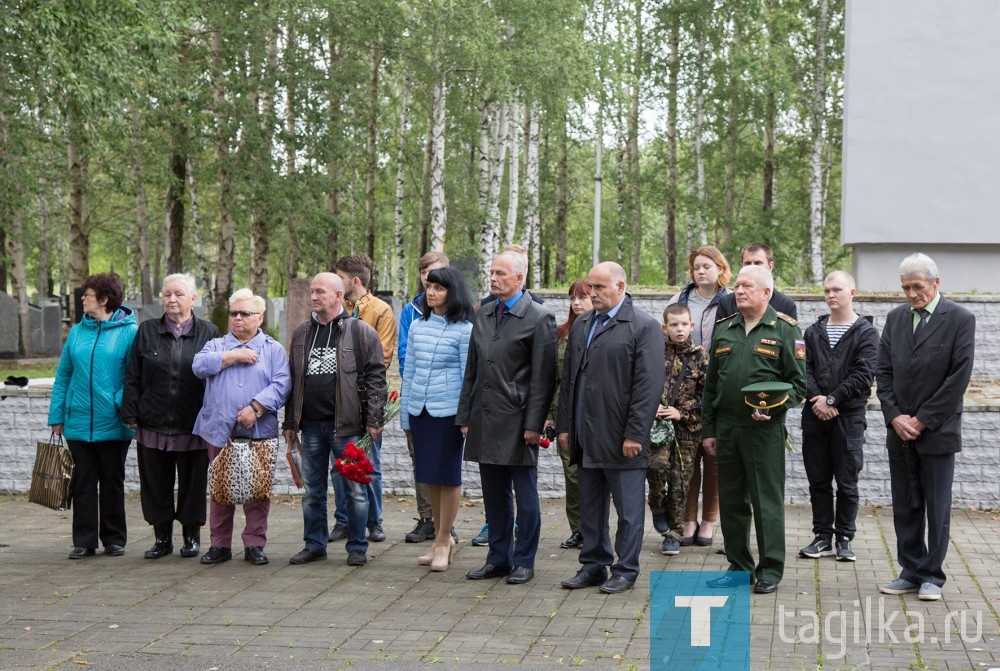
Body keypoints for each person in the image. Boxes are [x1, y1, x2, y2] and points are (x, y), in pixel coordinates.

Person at [556, 262, 664, 594]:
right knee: (590, 505)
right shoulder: (583, 324)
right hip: (585, 435)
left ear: (620, 287)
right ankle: (593, 565)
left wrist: (635, 433)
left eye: (599, 287)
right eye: (590, 287)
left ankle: (626, 569)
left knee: (628, 510)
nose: (592, 293)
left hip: (622, 438)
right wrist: (565, 427)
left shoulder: (643, 326)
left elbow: (648, 386)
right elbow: (569, 380)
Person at [701, 264, 805, 594]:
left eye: (747, 285)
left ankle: (770, 569)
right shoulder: (725, 328)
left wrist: (773, 408)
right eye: (737, 286)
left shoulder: (786, 330)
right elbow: (711, 385)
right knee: (731, 501)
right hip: (727, 428)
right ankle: (739, 566)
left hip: (763, 431)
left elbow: (799, 386)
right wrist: (709, 429)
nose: (739, 291)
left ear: (766, 293)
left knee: (765, 502)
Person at [876, 253, 975, 601]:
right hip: (899, 431)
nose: (911, 293)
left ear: (936, 283)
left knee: (937, 505)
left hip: (937, 430)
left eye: (918, 286)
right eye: (905, 287)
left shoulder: (961, 319)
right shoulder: (895, 319)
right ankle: (911, 570)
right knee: (905, 504)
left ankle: (933, 574)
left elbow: (958, 377)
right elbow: (883, 372)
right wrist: (894, 416)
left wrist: (921, 419)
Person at [457, 251, 557, 585]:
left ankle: (524, 560)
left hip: (517, 421)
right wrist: (465, 415)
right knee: (493, 494)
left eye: (501, 273)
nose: (494, 278)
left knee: (525, 497)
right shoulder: (484, 313)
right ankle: (498, 557)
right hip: (485, 417)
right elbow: (472, 369)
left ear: (519, 278)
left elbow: (543, 378)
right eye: (492, 272)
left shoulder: (539, 317)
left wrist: (534, 423)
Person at [283, 273, 387, 567]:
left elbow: (377, 378)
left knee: (355, 491)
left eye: (320, 292)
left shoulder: (360, 332)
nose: (313, 297)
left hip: (349, 428)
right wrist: (290, 423)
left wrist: (374, 419)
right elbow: (293, 380)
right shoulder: (302, 333)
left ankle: (357, 547)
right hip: (312, 427)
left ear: (339, 296)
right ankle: (314, 544)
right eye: (312, 292)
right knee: (312, 492)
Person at [122, 273, 220, 560]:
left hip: (194, 423)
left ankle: (191, 537)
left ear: (193, 298)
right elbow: (133, 375)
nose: (172, 299)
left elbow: (218, 377)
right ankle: (161, 537)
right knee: (155, 484)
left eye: (178, 294)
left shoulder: (209, 333)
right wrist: (130, 411)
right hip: (153, 421)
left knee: (192, 483)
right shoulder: (147, 331)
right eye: (167, 294)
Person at [193, 289, 291, 566]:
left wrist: (257, 408)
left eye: (245, 313)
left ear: (259, 318)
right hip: (219, 430)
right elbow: (198, 366)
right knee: (221, 489)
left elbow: (282, 385)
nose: (237, 318)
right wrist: (232, 357)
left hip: (258, 432)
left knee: (257, 490)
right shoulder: (216, 345)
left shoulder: (272, 349)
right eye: (234, 313)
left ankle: (254, 544)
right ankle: (219, 545)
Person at [48, 272, 138, 559]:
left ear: (104, 299)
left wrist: (119, 403)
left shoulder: (130, 332)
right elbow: (63, 376)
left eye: (87, 295)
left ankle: (114, 539)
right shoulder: (77, 332)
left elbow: (135, 377)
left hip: (113, 421)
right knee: (83, 481)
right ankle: (84, 541)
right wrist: (57, 414)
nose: (83, 299)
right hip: (77, 421)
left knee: (112, 480)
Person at [798, 271, 878, 563]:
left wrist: (832, 400)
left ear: (852, 292)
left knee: (846, 482)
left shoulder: (866, 333)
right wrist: (817, 399)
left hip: (848, 418)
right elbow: (802, 369)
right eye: (827, 290)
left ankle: (844, 538)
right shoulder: (812, 331)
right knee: (818, 481)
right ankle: (822, 538)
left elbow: (863, 374)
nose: (831, 295)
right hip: (814, 416)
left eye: (837, 290)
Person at [401, 268, 474, 571]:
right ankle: (438, 539)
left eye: (439, 288)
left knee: (448, 476)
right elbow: (411, 372)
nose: (431, 293)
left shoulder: (465, 329)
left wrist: (465, 416)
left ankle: (444, 540)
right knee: (429, 475)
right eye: (429, 287)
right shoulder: (418, 326)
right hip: (421, 412)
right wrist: (406, 414)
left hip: (449, 414)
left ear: (452, 292)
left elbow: (467, 377)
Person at [667, 245, 732, 547]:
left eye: (708, 265)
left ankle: (709, 520)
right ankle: (687, 518)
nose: (701, 271)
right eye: (696, 266)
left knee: (714, 456)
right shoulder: (679, 300)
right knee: (687, 459)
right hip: (686, 391)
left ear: (721, 269)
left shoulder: (730, 301)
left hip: (719, 386)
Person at [334, 254, 396, 543]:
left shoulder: (381, 311)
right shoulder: (334, 308)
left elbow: (381, 357)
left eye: (340, 278)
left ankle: (374, 520)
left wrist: (347, 369)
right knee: (340, 463)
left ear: (354, 281)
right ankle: (343, 520)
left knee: (369, 461)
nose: (336, 283)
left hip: (366, 395)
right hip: (337, 398)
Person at [398, 251, 449, 544]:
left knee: (444, 460)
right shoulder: (411, 311)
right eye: (425, 276)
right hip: (418, 396)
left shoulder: (462, 312)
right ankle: (426, 518)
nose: (430, 283)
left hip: (445, 400)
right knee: (420, 458)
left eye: (436, 275)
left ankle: (445, 522)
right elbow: (406, 355)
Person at [650, 303, 708, 556]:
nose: (680, 329)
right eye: (674, 324)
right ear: (665, 327)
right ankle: (656, 506)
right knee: (655, 468)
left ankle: (673, 534)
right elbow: (642, 384)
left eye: (684, 324)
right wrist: (651, 407)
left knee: (679, 483)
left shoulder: (700, 356)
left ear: (691, 326)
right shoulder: (654, 352)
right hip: (657, 428)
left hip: (687, 430)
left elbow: (707, 396)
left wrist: (681, 413)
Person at [544, 280, 592, 550]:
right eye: (573, 297)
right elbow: (553, 379)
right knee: (572, 476)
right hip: (566, 415)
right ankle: (579, 530)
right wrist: (550, 415)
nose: (576, 302)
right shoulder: (561, 334)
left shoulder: (602, 331)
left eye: (582, 297)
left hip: (595, 416)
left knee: (593, 478)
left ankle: (596, 529)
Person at [716, 242, 798, 320]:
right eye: (748, 263)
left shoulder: (785, 304)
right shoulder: (727, 303)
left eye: (758, 263)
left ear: (770, 266)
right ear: (741, 266)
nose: (752, 267)